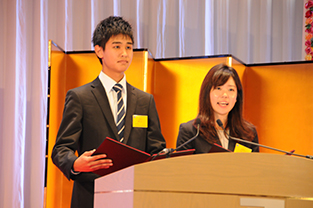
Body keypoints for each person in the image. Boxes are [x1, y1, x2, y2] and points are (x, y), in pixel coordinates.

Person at [51, 16, 166, 208]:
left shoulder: (145, 100)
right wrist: (75, 163)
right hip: (91, 195)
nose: (125, 53)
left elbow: (156, 149)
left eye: (129, 47)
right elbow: (61, 149)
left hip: (134, 197)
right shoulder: (80, 97)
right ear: (99, 50)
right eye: (117, 46)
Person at [176, 63, 259, 153]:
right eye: (218, 88)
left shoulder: (248, 133)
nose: (224, 95)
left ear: (237, 97)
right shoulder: (190, 133)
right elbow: (183, 167)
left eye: (231, 90)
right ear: (207, 93)